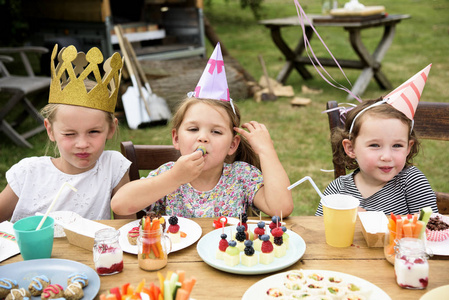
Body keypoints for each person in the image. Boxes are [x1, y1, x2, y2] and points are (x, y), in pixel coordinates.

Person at [111, 43, 293, 218]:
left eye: (216, 132)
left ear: (232, 144)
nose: (203, 138)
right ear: (176, 138)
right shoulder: (167, 174)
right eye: (193, 129)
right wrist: (174, 178)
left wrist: (266, 151)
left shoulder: (241, 177)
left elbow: (281, 208)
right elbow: (120, 204)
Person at [0, 45, 134, 222]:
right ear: (50, 130)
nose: (82, 143)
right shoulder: (28, 173)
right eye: (70, 134)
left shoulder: (113, 167)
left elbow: (126, 229)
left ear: (110, 129)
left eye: (93, 131)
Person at [316, 64, 438, 216]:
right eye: (375, 145)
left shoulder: (411, 182)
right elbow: (320, 231)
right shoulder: (338, 190)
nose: (386, 156)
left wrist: (375, 223)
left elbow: (431, 230)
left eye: (397, 145)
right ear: (351, 148)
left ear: (408, 147)